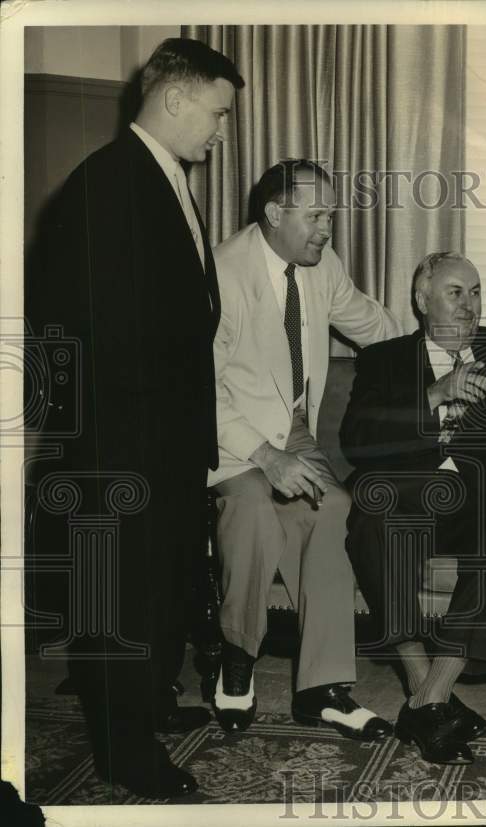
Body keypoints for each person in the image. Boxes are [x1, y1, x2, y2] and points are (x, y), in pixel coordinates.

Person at [28, 38, 244, 799]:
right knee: (116, 597)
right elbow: (95, 333)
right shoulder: (109, 186)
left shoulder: (165, 178)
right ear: (176, 98)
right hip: (121, 446)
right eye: (217, 113)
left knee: (157, 588)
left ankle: (146, 705)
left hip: (165, 440)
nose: (222, 129)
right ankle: (124, 751)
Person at [340, 252, 486, 765]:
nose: (470, 306)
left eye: (477, 292)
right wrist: (435, 393)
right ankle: (421, 677)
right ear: (422, 300)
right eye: (455, 292)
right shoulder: (384, 358)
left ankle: (429, 697)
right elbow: (356, 439)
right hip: (400, 493)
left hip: (473, 498)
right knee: (371, 521)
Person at [209, 160, 400, 739]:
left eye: (331, 217)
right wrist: (267, 459)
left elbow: (375, 327)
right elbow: (194, 392)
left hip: (289, 428)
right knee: (254, 512)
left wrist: (436, 360)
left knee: (334, 508)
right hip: (225, 433)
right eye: (316, 216)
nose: (327, 230)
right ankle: (237, 656)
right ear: (274, 214)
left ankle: (323, 687)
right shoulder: (217, 274)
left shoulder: (320, 265)